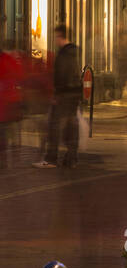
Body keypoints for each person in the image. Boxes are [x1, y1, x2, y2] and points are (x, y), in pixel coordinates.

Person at [35, 25, 83, 170]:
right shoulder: (74, 52)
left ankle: (51, 158)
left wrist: (57, 93)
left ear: (60, 36)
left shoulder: (64, 54)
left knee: (54, 125)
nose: (55, 40)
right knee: (71, 126)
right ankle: (71, 158)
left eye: (56, 36)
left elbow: (62, 74)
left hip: (64, 94)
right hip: (74, 93)